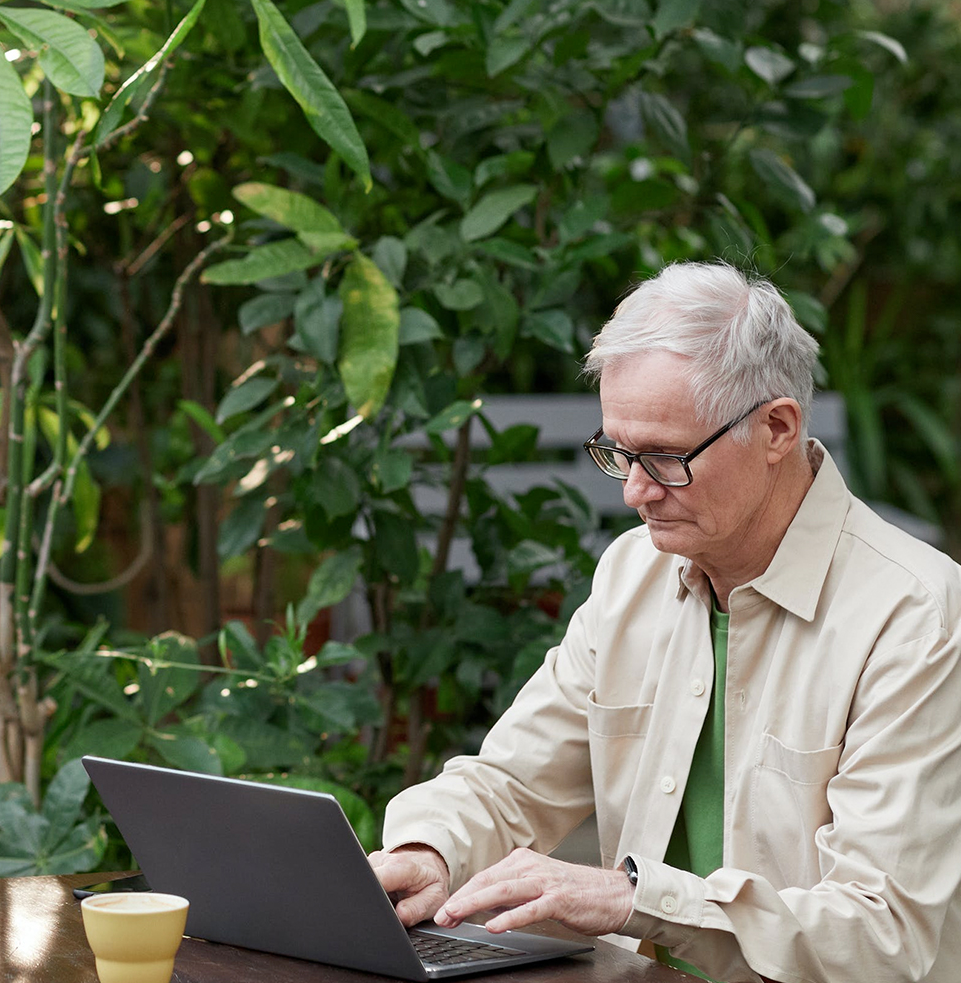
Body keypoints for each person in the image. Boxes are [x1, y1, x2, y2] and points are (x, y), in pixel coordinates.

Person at [368, 261, 961, 982]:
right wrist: (426, 852)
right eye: (618, 452)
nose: (635, 492)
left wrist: (634, 898)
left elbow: (883, 932)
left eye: (665, 457)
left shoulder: (916, 614)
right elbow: (513, 783)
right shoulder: (633, 573)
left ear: (777, 428)